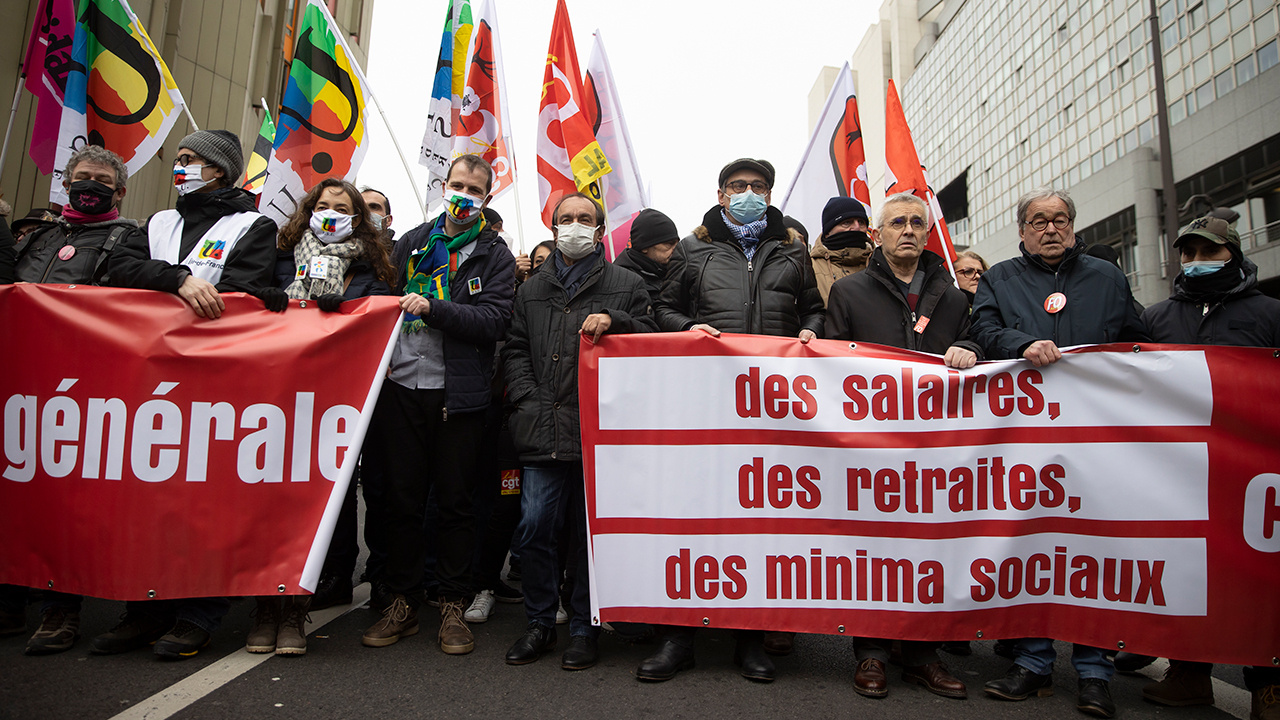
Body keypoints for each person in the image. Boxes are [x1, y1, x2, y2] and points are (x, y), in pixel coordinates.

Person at [973, 187, 1149, 717]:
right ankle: (1033, 663)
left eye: (1060, 219)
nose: (1051, 229)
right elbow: (983, 329)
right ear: (1022, 230)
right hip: (1026, 439)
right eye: (1039, 220)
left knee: (1089, 551)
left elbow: (1138, 340)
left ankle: (1095, 673)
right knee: (1032, 546)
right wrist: (1021, 344)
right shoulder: (999, 278)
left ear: (1073, 226)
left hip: (1094, 440)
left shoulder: (1107, 278)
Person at [646, 158, 823, 684]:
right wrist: (690, 327)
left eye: (758, 187)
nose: (748, 193)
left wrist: (810, 332)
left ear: (770, 194)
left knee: (758, 521)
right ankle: (677, 636)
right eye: (738, 186)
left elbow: (813, 307)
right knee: (692, 516)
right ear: (721, 194)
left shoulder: (792, 249)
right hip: (706, 401)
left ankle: (751, 637)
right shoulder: (694, 249)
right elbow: (660, 307)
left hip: (773, 405)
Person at [102, 129, 276, 659]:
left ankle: (198, 612)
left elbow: (245, 291)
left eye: (189, 160)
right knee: (150, 501)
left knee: (208, 502)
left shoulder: (253, 225)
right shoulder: (157, 223)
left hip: (216, 390)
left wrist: (196, 293)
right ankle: (144, 612)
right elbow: (118, 271)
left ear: (218, 170)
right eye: (178, 159)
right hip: (150, 385)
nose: (179, 167)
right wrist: (177, 279)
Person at [359, 154, 515, 654]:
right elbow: (377, 298)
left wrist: (436, 307)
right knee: (402, 502)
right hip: (402, 388)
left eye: (474, 190)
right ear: (442, 185)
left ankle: (451, 605)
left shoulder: (496, 255)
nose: (463, 197)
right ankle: (402, 604)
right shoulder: (413, 242)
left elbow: (494, 322)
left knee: (455, 505)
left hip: (458, 397)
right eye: (457, 186)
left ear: (486, 198)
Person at [825, 192, 977, 700]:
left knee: (930, 548)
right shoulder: (849, 292)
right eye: (896, 223)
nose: (908, 229)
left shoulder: (955, 298)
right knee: (874, 547)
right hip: (871, 449)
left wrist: (972, 348)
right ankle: (871, 650)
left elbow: (984, 342)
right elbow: (832, 366)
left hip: (937, 451)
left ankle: (922, 652)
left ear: (927, 232)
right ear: (878, 234)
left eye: (917, 222)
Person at [235, 178, 393, 656]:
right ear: (308, 210)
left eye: (341, 208)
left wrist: (340, 310)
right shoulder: (282, 256)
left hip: (331, 403)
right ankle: (265, 608)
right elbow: (246, 297)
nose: (330, 213)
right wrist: (270, 297)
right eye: (322, 206)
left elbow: (377, 318)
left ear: (357, 219)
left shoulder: (373, 268)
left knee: (311, 507)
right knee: (268, 501)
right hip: (276, 397)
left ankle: (294, 613)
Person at [501, 192, 654, 671]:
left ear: (599, 228)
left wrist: (618, 320)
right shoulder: (530, 288)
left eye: (583, 219)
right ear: (552, 229)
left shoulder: (626, 282)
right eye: (565, 218)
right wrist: (529, 397)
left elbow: (651, 336)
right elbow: (515, 348)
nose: (573, 225)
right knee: (534, 529)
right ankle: (541, 621)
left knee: (591, 535)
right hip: (542, 428)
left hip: (599, 433)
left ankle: (585, 627)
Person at [1137, 214, 1280, 717]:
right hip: (1178, 470)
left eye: (1209, 252)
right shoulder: (1156, 319)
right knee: (1186, 571)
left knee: (1255, 577)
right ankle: (1189, 672)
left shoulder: (1269, 313)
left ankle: (1268, 682)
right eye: (1189, 253)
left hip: (1250, 473)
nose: (1196, 262)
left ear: (1233, 254)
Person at [13, 146, 137, 286]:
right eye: (82, 177)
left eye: (102, 180)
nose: (90, 184)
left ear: (120, 193)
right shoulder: (40, 234)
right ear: (67, 186)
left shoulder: (129, 241)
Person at [810, 196, 873, 306]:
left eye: (861, 222)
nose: (856, 227)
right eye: (847, 222)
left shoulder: (881, 262)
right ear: (828, 231)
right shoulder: (809, 268)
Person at [613, 208, 679, 305]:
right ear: (644, 247)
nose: (676, 250)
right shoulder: (618, 280)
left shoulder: (677, 273)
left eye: (677, 245)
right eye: (669, 244)